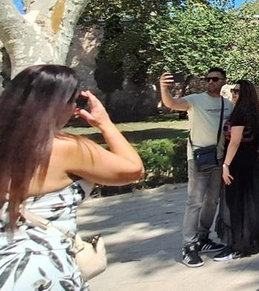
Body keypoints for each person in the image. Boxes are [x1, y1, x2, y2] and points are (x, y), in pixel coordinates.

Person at [0, 65, 144, 289]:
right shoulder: (66, 148)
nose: (75, 109)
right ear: (56, 104)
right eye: (73, 101)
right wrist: (104, 123)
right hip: (43, 266)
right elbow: (133, 170)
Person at [160, 67, 234, 267]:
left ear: (223, 81)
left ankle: (202, 237)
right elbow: (171, 103)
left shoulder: (228, 106)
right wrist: (163, 88)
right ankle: (189, 245)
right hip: (198, 158)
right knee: (195, 203)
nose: (210, 82)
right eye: (208, 79)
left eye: (215, 79)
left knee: (212, 202)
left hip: (218, 159)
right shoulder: (195, 100)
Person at [214, 80, 259, 261]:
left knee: (235, 203)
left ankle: (239, 244)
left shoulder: (240, 114)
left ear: (245, 94)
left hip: (238, 162)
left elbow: (234, 141)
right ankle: (251, 238)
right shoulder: (253, 112)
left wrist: (225, 165)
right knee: (249, 202)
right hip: (249, 162)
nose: (233, 94)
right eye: (233, 90)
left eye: (237, 91)